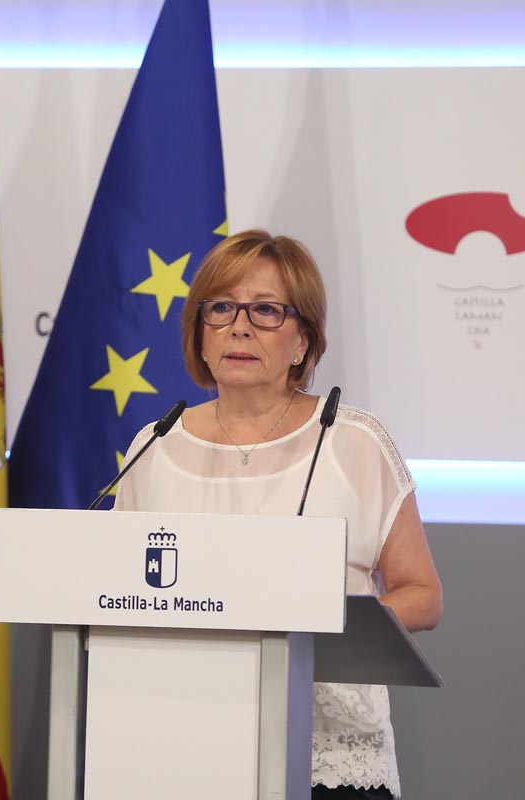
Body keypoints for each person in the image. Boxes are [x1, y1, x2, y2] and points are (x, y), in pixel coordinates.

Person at [114, 229, 443, 799]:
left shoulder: (354, 442)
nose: (239, 326)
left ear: (303, 341)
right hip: (183, 744)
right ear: (199, 331)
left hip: (327, 756)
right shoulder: (156, 445)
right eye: (221, 308)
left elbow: (422, 594)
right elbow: (113, 591)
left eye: (265, 310)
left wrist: (318, 626)